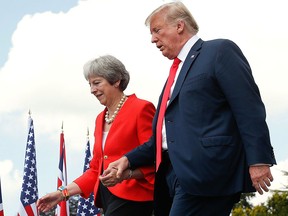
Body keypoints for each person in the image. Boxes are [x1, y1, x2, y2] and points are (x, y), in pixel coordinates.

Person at [100, 2, 277, 216]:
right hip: (171, 177)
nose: (153, 39)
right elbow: (161, 138)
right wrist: (127, 160)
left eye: (157, 30)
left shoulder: (219, 51)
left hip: (207, 172)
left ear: (179, 26)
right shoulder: (173, 74)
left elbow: (248, 108)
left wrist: (258, 160)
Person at [36, 55, 156, 216]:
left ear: (116, 81)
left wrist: (125, 175)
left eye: (97, 83)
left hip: (136, 197)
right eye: (90, 84)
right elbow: (95, 169)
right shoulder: (100, 118)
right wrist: (62, 194)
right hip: (108, 198)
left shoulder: (141, 108)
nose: (92, 90)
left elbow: (154, 156)